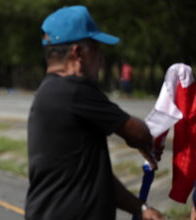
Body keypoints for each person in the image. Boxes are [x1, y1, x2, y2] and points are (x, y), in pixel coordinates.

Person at [25, 5, 165, 220]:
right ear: (78, 52)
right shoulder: (75, 91)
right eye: (96, 49)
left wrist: (141, 209)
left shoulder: (51, 92)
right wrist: (142, 141)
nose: (101, 58)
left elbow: (95, 178)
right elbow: (140, 134)